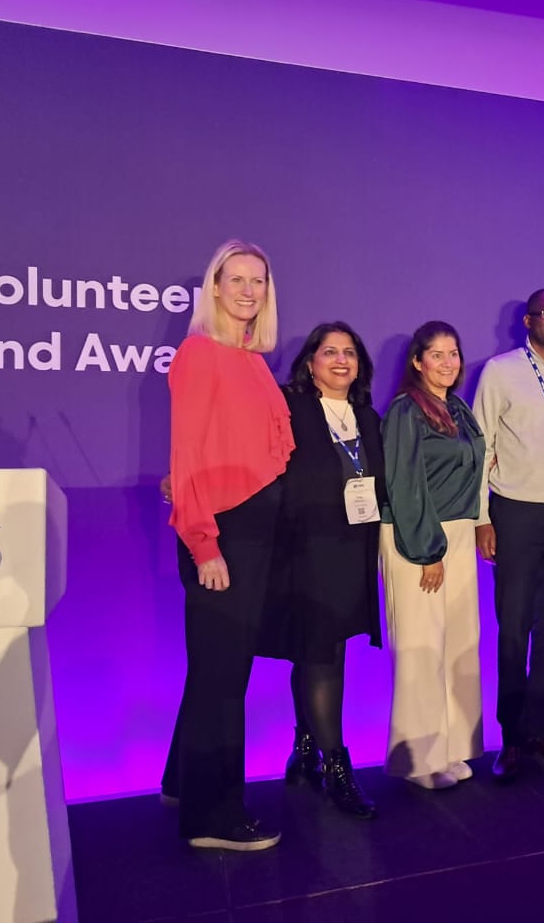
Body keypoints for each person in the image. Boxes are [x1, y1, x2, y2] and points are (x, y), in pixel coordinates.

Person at [163, 239, 293, 850]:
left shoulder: (251, 358)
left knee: (215, 671)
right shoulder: (199, 353)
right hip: (222, 536)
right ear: (213, 287)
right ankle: (214, 819)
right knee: (223, 678)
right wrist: (203, 543)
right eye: (235, 278)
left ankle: (182, 783)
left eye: (258, 280)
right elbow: (187, 456)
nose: (247, 289)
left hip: (251, 535)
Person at [262, 322, 384, 818]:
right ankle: (337, 765)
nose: (340, 360)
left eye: (349, 352)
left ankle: (306, 749)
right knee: (321, 652)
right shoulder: (287, 407)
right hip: (303, 548)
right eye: (329, 351)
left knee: (322, 651)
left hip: (353, 547)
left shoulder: (367, 417)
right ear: (310, 360)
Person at [474, 289, 544, 782]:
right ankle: (511, 737)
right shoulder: (500, 371)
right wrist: (482, 517)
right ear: (527, 320)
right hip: (516, 511)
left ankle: (540, 729)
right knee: (514, 627)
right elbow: (481, 445)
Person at [380, 322, 486, 790]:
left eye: (454, 353)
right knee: (422, 647)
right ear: (417, 361)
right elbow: (404, 485)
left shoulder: (458, 408)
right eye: (437, 355)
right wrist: (426, 549)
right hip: (419, 537)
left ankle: (451, 747)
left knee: (458, 643)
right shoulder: (407, 410)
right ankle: (419, 759)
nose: (448, 363)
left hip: (458, 534)